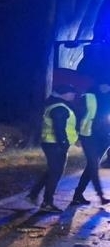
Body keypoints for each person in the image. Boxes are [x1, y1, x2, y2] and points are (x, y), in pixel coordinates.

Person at [27, 84, 78, 213]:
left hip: (51, 143)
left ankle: (33, 195)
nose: (74, 95)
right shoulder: (60, 108)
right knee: (55, 173)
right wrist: (64, 143)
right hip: (56, 144)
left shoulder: (54, 105)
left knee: (51, 171)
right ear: (65, 93)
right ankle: (47, 202)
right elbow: (59, 128)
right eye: (72, 93)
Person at [70, 80, 110, 207]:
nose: (106, 86)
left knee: (91, 167)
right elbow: (77, 115)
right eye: (104, 83)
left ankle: (77, 195)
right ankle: (101, 196)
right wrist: (77, 135)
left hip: (105, 138)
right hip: (89, 136)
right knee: (93, 165)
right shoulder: (88, 96)